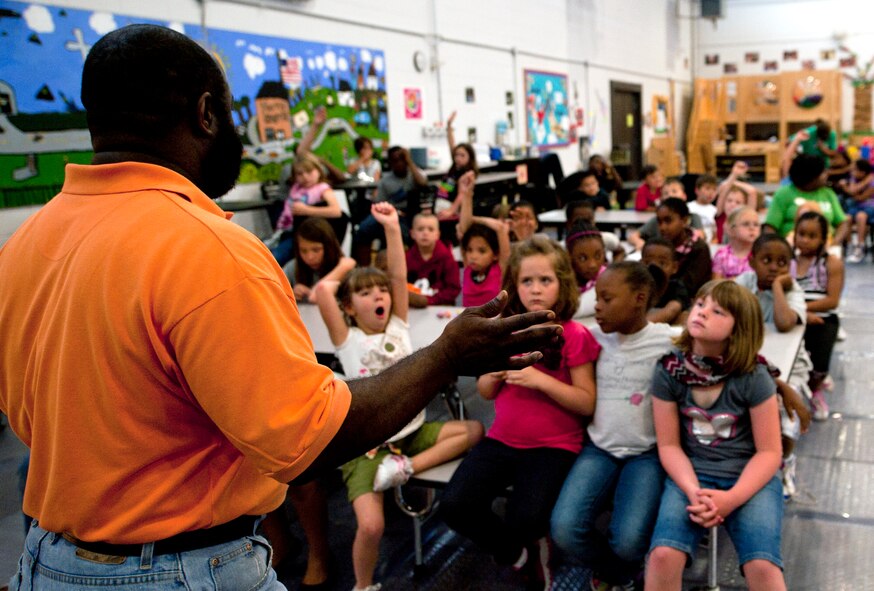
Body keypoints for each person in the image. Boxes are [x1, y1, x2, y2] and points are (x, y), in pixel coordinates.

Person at [0, 25, 561, 591]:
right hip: (178, 569)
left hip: (48, 560)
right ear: (206, 113)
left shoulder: (23, 247)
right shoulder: (206, 248)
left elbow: (32, 412)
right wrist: (447, 354)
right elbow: (305, 442)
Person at [314, 202, 483, 591]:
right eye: (365, 293)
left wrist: (393, 228)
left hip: (411, 434)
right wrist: (348, 263)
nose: (379, 296)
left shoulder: (400, 326)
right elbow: (324, 289)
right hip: (367, 446)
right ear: (348, 307)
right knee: (371, 525)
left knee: (473, 429)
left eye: (381, 292)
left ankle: (407, 468)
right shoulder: (347, 338)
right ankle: (363, 585)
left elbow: (398, 274)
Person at [441, 236, 599, 589]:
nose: (536, 289)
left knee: (525, 517)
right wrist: (495, 371)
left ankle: (535, 551)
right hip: (502, 440)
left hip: (555, 445)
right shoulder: (507, 333)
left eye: (546, 280)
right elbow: (484, 390)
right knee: (453, 505)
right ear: (514, 286)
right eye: (527, 281)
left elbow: (586, 402)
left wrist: (540, 381)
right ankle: (516, 554)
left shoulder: (574, 334)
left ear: (563, 284)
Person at [645, 280, 787, 591]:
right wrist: (693, 491)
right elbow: (669, 445)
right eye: (700, 305)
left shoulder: (753, 376)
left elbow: (769, 453)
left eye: (717, 310)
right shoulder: (669, 370)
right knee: (662, 556)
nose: (702, 312)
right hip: (692, 477)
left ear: (739, 329)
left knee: (762, 565)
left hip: (748, 479)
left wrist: (731, 499)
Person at [551, 261, 678, 591]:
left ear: (639, 298)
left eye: (607, 299)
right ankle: (618, 573)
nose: (597, 307)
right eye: (596, 299)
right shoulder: (592, 338)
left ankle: (624, 563)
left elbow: (731, 349)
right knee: (564, 529)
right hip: (599, 449)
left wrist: (781, 386)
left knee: (628, 542)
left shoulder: (669, 340)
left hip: (646, 454)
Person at [735, 234, 811, 498]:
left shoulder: (793, 291)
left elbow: (784, 323)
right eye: (767, 260)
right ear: (752, 261)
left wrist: (778, 287)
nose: (774, 267)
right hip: (748, 360)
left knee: (785, 416)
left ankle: (785, 459)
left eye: (782, 262)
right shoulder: (742, 284)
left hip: (790, 366)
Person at [791, 211, 844, 420]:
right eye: (801, 234)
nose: (805, 240)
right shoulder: (789, 262)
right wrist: (801, 314)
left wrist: (805, 310)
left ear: (823, 239)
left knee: (819, 364)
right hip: (796, 316)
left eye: (812, 236)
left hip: (823, 318)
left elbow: (832, 300)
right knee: (794, 360)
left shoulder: (831, 263)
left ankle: (816, 388)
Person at [353, 146, 428, 265]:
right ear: (390, 163)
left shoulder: (414, 175)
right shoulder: (386, 181)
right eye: (395, 160)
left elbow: (423, 184)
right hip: (389, 214)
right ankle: (365, 269)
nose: (399, 163)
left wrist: (409, 161)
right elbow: (378, 203)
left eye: (402, 159)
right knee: (363, 229)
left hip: (410, 217)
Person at [270, 152, 344, 266]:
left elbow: (336, 211)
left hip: (302, 235)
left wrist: (307, 210)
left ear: (319, 171)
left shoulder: (322, 188)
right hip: (284, 232)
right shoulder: (296, 188)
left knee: (275, 258)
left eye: (309, 172)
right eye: (300, 174)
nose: (305, 177)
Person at [764, 154, 849, 244]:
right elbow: (770, 227)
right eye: (823, 172)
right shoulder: (784, 194)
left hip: (825, 247)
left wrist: (833, 244)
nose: (827, 175)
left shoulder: (828, 193)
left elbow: (842, 223)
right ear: (811, 176)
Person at [457, 172, 511, 306]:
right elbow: (465, 227)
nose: (473, 256)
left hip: (493, 325)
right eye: (469, 250)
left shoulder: (500, 268)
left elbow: (500, 228)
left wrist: (475, 219)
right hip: (468, 325)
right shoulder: (468, 267)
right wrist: (467, 194)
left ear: (495, 254)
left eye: (482, 251)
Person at [287, 217, 356, 304]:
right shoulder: (292, 267)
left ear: (329, 247)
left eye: (316, 250)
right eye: (303, 251)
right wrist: (290, 294)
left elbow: (314, 297)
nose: (310, 257)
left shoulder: (344, 266)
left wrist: (343, 268)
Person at [654, 198, 713, 297]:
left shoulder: (699, 248)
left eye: (668, 221)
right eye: (659, 222)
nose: (662, 227)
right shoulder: (658, 245)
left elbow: (687, 286)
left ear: (684, 220)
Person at [405, 212, 461, 307]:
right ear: (412, 234)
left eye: (430, 229)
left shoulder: (447, 258)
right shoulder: (406, 258)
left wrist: (429, 300)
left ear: (437, 234)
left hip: (441, 306)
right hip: (413, 306)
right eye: (420, 229)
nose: (425, 233)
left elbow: (453, 288)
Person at [435, 110, 480, 220]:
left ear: (470, 157)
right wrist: (449, 125)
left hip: (451, 207)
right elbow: (451, 144)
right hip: (441, 202)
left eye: (462, 155)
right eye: (456, 155)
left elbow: (462, 194)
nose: (458, 158)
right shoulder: (455, 167)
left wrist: (451, 211)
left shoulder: (468, 173)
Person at [642, 237, 690, 326]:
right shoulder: (636, 286)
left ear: (674, 267)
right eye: (648, 262)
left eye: (662, 263)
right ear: (641, 263)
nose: (655, 267)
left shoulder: (676, 287)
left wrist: (639, 326)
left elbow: (671, 311)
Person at [565, 220, 607, 318]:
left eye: (598, 256)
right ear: (569, 256)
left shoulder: (606, 279)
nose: (592, 265)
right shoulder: (561, 278)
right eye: (583, 258)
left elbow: (572, 311)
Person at [837, 158, 874, 263]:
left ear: (863, 172)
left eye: (855, 170)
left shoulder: (872, 182)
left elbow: (859, 197)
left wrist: (845, 187)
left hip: (870, 207)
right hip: (856, 207)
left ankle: (860, 246)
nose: (852, 173)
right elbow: (853, 193)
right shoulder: (855, 178)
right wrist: (852, 190)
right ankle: (850, 245)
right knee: (846, 218)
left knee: (860, 216)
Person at [711, 206, 760, 279]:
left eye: (756, 224)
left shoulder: (760, 254)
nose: (752, 228)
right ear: (732, 230)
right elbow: (716, 283)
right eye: (746, 224)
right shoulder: (722, 255)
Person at [686, 174, 719, 242]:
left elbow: (715, 233)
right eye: (707, 188)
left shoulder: (715, 210)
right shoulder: (688, 207)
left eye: (714, 189)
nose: (711, 192)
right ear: (697, 190)